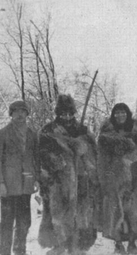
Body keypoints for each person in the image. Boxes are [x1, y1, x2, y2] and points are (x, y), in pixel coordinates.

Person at [38, 94, 99, 255]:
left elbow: (93, 152)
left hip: (80, 176)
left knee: (80, 211)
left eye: (69, 112)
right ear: (58, 112)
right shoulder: (49, 130)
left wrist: (81, 147)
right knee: (57, 212)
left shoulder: (82, 130)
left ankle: (76, 245)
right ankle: (58, 244)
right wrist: (54, 160)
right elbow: (41, 153)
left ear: (73, 112)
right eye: (63, 113)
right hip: (57, 178)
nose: (66, 116)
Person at [97, 102, 137, 254]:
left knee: (133, 211)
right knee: (115, 211)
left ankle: (131, 242)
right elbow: (102, 158)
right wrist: (104, 176)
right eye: (117, 113)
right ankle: (118, 244)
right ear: (113, 115)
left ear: (127, 113)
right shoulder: (106, 135)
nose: (120, 115)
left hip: (134, 175)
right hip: (114, 177)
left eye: (123, 112)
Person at [0, 100, 40, 255]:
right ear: (11, 114)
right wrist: (1, 183)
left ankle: (20, 251)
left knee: (24, 222)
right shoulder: (3, 133)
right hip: (8, 187)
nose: (20, 114)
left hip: (26, 185)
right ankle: (4, 252)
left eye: (23, 111)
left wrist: (35, 178)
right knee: (6, 223)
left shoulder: (32, 134)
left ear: (27, 113)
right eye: (16, 111)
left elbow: (35, 158)